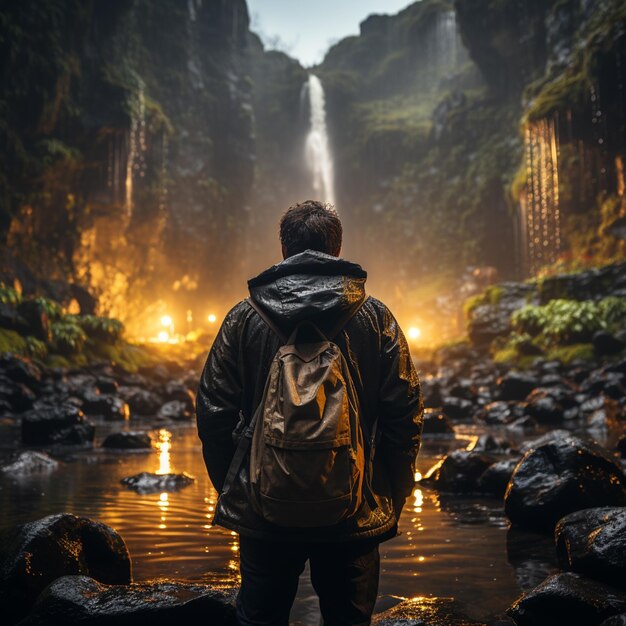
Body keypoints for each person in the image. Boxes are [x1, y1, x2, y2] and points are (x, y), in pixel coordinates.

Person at [196, 200, 423, 626]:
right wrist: (391, 493)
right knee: (348, 619)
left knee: (260, 618)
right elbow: (405, 412)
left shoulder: (243, 318)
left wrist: (239, 485)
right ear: (336, 249)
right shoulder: (376, 318)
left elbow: (212, 413)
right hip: (354, 507)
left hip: (264, 509)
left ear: (284, 250)